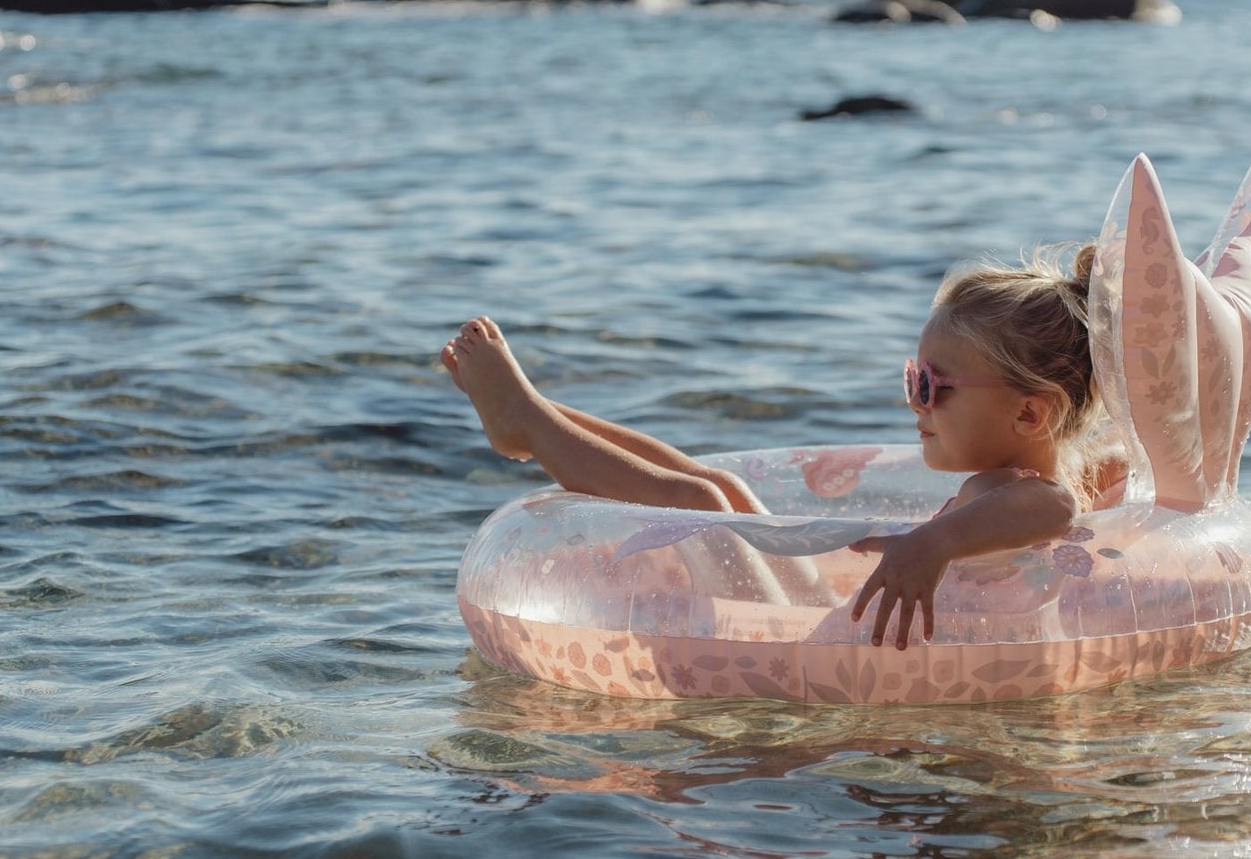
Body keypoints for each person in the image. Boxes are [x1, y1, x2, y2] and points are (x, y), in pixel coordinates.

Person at [441, 245, 1116, 650]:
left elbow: (1050, 511)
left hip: (826, 646)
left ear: (1029, 412)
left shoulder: (1033, 493)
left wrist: (932, 544)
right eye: (913, 380)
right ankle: (535, 417)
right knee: (726, 493)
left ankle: (528, 424)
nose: (914, 404)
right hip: (837, 625)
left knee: (699, 501)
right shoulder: (1020, 476)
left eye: (932, 387)